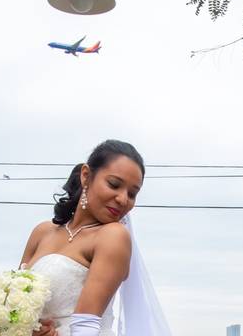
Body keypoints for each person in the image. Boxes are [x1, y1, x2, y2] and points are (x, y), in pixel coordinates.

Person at [20, 140, 171, 336]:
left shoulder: (113, 236)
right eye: (114, 185)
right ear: (86, 176)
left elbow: (86, 326)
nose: (123, 199)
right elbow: (16, 309)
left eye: (132, 194)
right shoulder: (42, 232)